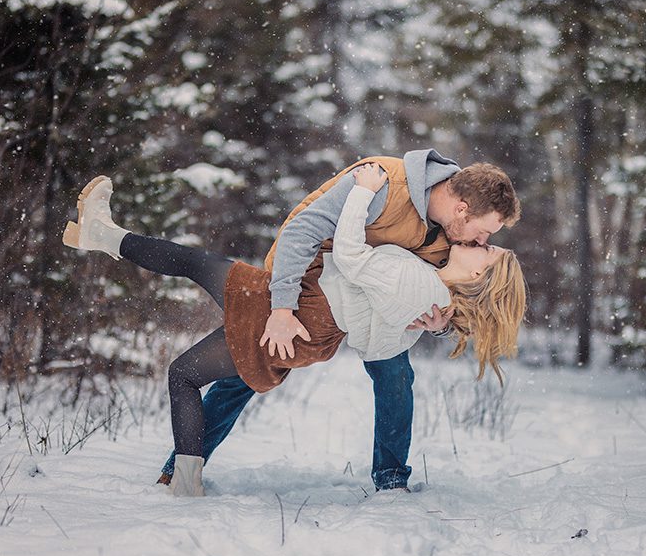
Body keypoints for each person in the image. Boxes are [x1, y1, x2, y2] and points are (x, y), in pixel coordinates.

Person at [64, 163, 526, 496]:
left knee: (391, 374)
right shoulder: (388, 185)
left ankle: (390, 479)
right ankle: (182, 472)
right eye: (484, 236)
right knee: (229, 369)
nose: (482, 242)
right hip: (295, 288)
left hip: (323, 313)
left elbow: (438, 293)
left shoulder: (451, 235)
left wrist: (437, 324)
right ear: (462, 209)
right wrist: (282, 307)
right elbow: (303, 232)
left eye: (486, 244)